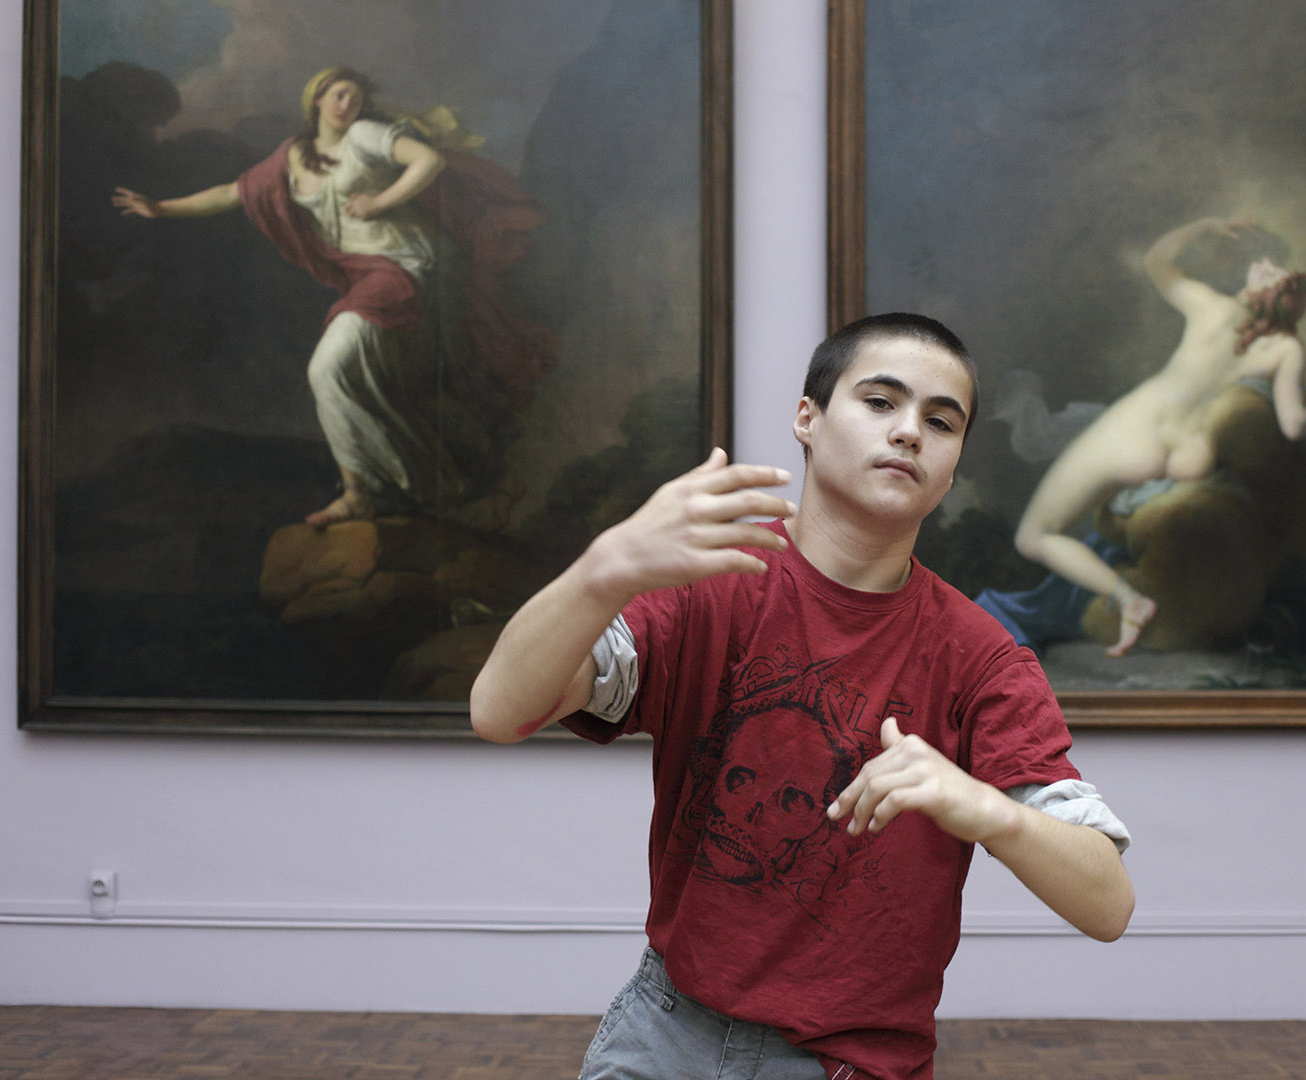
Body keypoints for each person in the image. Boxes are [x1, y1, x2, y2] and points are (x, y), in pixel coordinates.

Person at [471, 313, 1134, 1080]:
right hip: (664, 1032)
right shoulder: (708, 587)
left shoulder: (981, 657)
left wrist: (980, 805)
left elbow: (1108, 904)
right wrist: (601, 571)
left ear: (952, 468)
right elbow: (499, 710)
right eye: (880, 402)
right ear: (807, 420)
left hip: (847, 1061)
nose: (909, 432)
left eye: (940, 421)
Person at [113, 67, 554, 527]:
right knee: (357, 380)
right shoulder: (292, 155)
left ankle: (365, 491)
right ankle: (380, 487)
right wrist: (160, 208)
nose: (348, 105)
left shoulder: (364, 136)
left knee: (328, 369)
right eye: (340, 95)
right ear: (317, 99)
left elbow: (429, 161)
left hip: (404, 267)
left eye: (355, 99)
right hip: (364, 275)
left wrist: (379, 202)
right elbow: (232, 192)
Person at [1012, 216, 1306, 657]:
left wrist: (1205, 225)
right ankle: (1145, 595)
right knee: (1106, 516)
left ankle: (1130, 600)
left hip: (1139, 433)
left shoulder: (1213, 308)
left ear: (1265, 294)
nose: (1262, 263)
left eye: (1271, 270)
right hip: (1192, 453)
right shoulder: (1287, 349)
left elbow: (1156, 260)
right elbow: (1296, 427)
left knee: (1034, 536)